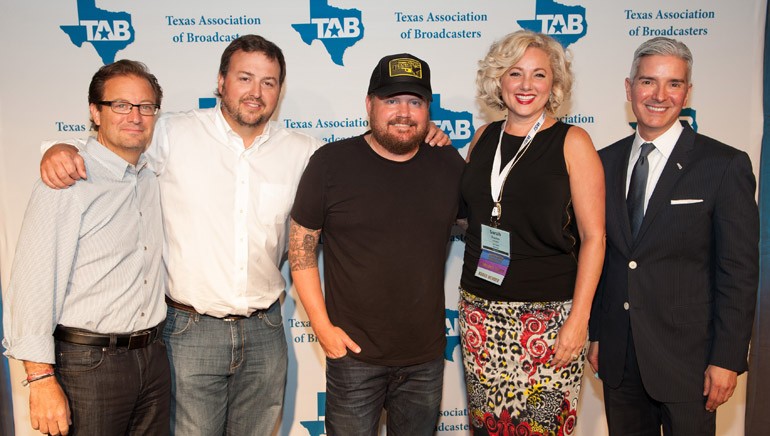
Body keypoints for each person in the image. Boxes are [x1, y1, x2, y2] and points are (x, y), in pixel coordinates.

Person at [38, 35, 449, 435]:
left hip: (265, 331)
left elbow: (371, 160)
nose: (256, 91)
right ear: (221, 82)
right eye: (245, 78)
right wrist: (62, 148)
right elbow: (116, 142)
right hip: (189, 331)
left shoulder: (305, 152)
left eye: (268, 82)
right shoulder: (172, 134)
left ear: (279, 91)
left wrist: (431, 137)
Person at [587, 37, 759, 436]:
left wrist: (727, 359)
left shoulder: (723, 165)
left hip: (691, 364)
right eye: (648, 82)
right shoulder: (603, 162)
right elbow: (604, 257)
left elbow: (738, 272)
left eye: (674, 84)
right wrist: (598, 334)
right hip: (620, 359)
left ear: (688, 93)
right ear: (628, 89)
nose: (659, 95)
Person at [288, 53, 465, 435]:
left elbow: (489, 225)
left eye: (415, 102)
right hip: (353, 357)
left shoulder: (448, 164)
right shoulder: (330, 163)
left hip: (425, 360)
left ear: (428, 110)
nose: (404, 112)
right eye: (392, 100)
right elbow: (300, 249)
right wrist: (322, 328)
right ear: (369, 104)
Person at [3, 60, 169, 435]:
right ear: (95, 112)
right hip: (88, 364)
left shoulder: (149, 175)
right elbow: (32, 284)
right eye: (121, 105)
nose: (135, 116)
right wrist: (40, 379)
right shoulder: (67, 180)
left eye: (145, 107)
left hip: (154, 357)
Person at [457, 30, 605, 435]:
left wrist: (578, 319)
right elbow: (469, 213)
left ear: (554, 84)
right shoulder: (484, 137)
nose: (526, 85)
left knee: (542, 429)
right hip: (479, 312)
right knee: (489, 427)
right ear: (498, 80)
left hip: (548, 317)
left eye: (539, 75)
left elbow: (595, 238)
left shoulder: (573, 142)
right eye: (515, 73)